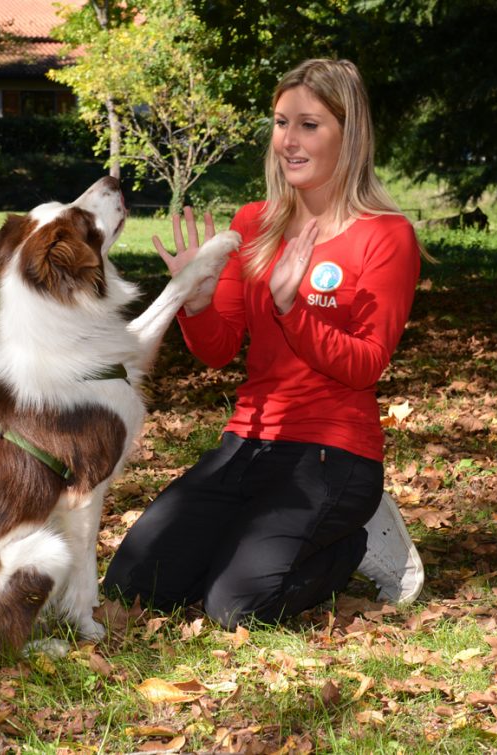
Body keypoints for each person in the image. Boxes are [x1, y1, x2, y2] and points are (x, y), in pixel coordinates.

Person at [103, 59, 425, 631]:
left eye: (309, 125)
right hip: (247, 443)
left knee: (235, 608)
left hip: (333, 452)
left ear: (348, 136)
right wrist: (196, 302)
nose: (289, 141)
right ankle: (249, 541)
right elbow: (219, 348)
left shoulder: (387, 235)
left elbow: (366, 364)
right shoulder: (253, 223)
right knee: (134, 586)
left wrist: (292, 309)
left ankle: (353, 542)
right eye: (281, 123)